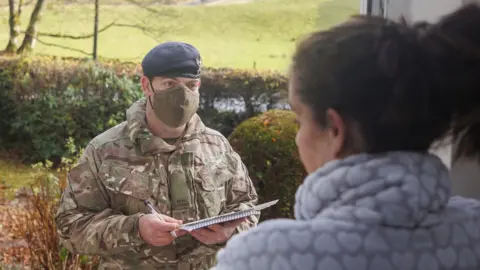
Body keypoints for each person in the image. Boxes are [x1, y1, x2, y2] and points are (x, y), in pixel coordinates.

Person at [212, 3, 480, 270]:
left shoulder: (262, 258)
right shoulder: (473, 230)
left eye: (299, 120)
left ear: (335, 130)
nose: (297, 139)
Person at [55, 41, 259, 270]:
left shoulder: (217, 146)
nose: (182, 94)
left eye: (191, 85)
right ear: (146, 85)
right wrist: (136, 228)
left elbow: (247, 207)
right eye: (169, 84)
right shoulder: (105, 150)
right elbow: (70, 227)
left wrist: (230, 232)